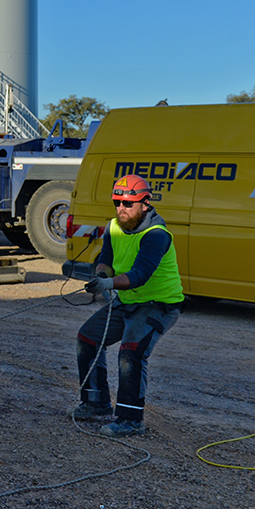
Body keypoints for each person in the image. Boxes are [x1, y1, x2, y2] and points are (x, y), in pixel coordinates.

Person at [72, 174, 184, 436]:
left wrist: (108, 285)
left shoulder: (156, 235)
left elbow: (140, 274)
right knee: (87, 339)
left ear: (145, 203)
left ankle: (130, 420)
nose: (121, 208)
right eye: (117, 203)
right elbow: (105, 258)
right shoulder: (113, 226)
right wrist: (101, 275)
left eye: (127, 203)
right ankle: (95, 402)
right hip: (127, 301)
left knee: (130, 352)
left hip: (159, 305)